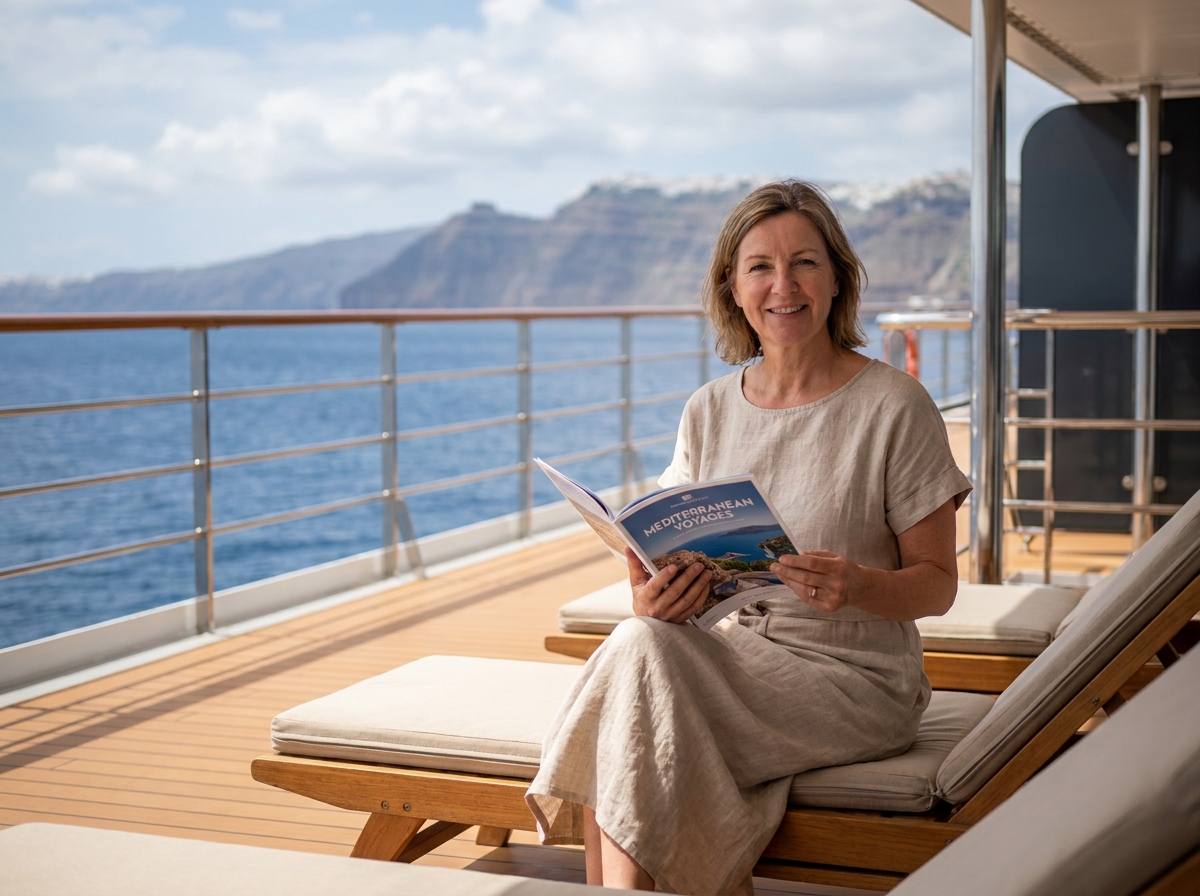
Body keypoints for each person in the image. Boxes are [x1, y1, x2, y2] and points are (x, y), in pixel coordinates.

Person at [525, 181, 971, 895]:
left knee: (634, 689)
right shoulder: (707, 410)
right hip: (736, 660)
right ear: (733, 288)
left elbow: (939, 584)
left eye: (804, 263)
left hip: (855, 680)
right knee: (643, 645)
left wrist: (862, 585)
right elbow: (657, 558)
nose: (782, 285)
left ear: (836, 280)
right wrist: (656, 595)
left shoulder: (894, 406)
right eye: (760, 266)